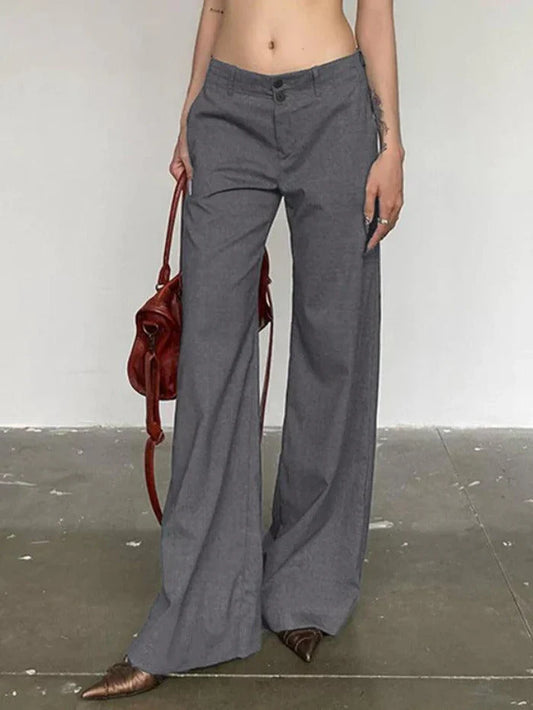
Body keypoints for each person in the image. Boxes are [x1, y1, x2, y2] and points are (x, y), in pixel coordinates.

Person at [81, 0, 404, 700]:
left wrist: (392, 145)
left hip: (334, 108)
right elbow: (215, 5)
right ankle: (196, 613)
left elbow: (375, 11)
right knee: (209, 360)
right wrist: (190, 111)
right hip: (227, 108)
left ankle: (306, 586)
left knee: (334, 345)